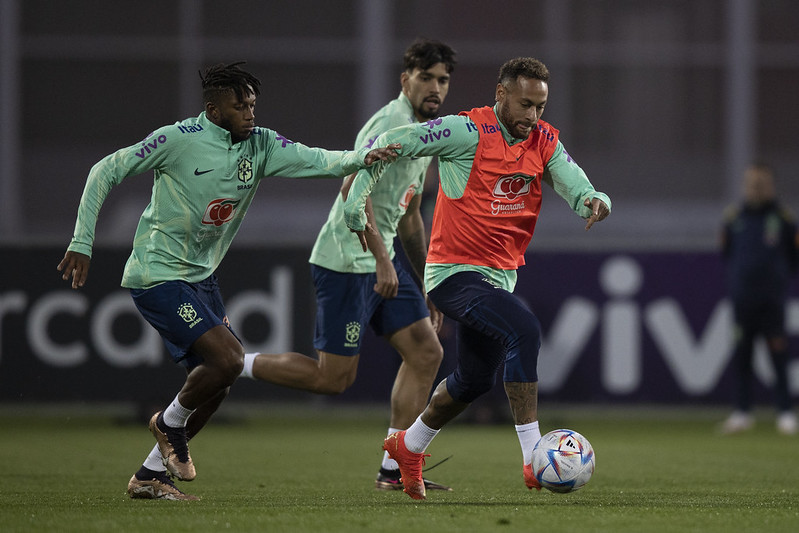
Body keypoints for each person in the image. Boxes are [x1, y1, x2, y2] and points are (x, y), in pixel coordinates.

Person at [57, 62, 399, 501]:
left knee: (219, 380)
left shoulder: (261, 145)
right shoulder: (178, 140)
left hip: (201, 279)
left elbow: (318, 159)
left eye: (253, 104)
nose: (250, 114)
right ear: (214, 109)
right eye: (240, 107)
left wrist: (360, 157)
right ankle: (167, 424)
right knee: (228, 359)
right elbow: (106, 169)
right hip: (159, 273)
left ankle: (150, 475)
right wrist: (82, 240)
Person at [343, 57, 611, 500]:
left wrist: (593, 200)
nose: (533, 116)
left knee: (473, 380)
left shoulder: (543, 140)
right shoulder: (465, 132)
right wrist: (359, 191)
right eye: (525, 104)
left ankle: (407, 447)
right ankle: (533, 457)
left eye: (540, 107)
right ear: (501, 94)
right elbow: (393, 140)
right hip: (452, 273)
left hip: (499, 278)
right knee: (524, 329)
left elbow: (574, 181)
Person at [237, 38, 457, 492]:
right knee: (332, 379)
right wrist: (381, 259)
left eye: (443, 80)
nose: (436, 88)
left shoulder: (427, 132)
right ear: (406, 80)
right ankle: (231, 362)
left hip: (386, 255)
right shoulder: (390, 124)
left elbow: (410, 213)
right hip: (347, 260)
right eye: (427, 78)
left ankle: (394, 468)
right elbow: (351, 190)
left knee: (426, 351)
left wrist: (428, 281)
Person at [719, 163, 798, 435]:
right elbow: (727, 252)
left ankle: (785, 413)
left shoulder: (784, 218)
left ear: (771, 185)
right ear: (744, 185)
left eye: (762, 182)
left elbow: (793, 257)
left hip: (772, 301)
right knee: (743, 356)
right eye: (752, 182)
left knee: (779, 356)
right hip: (743, 301)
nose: (756, 187)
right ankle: (742, 412)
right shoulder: (734, 217)